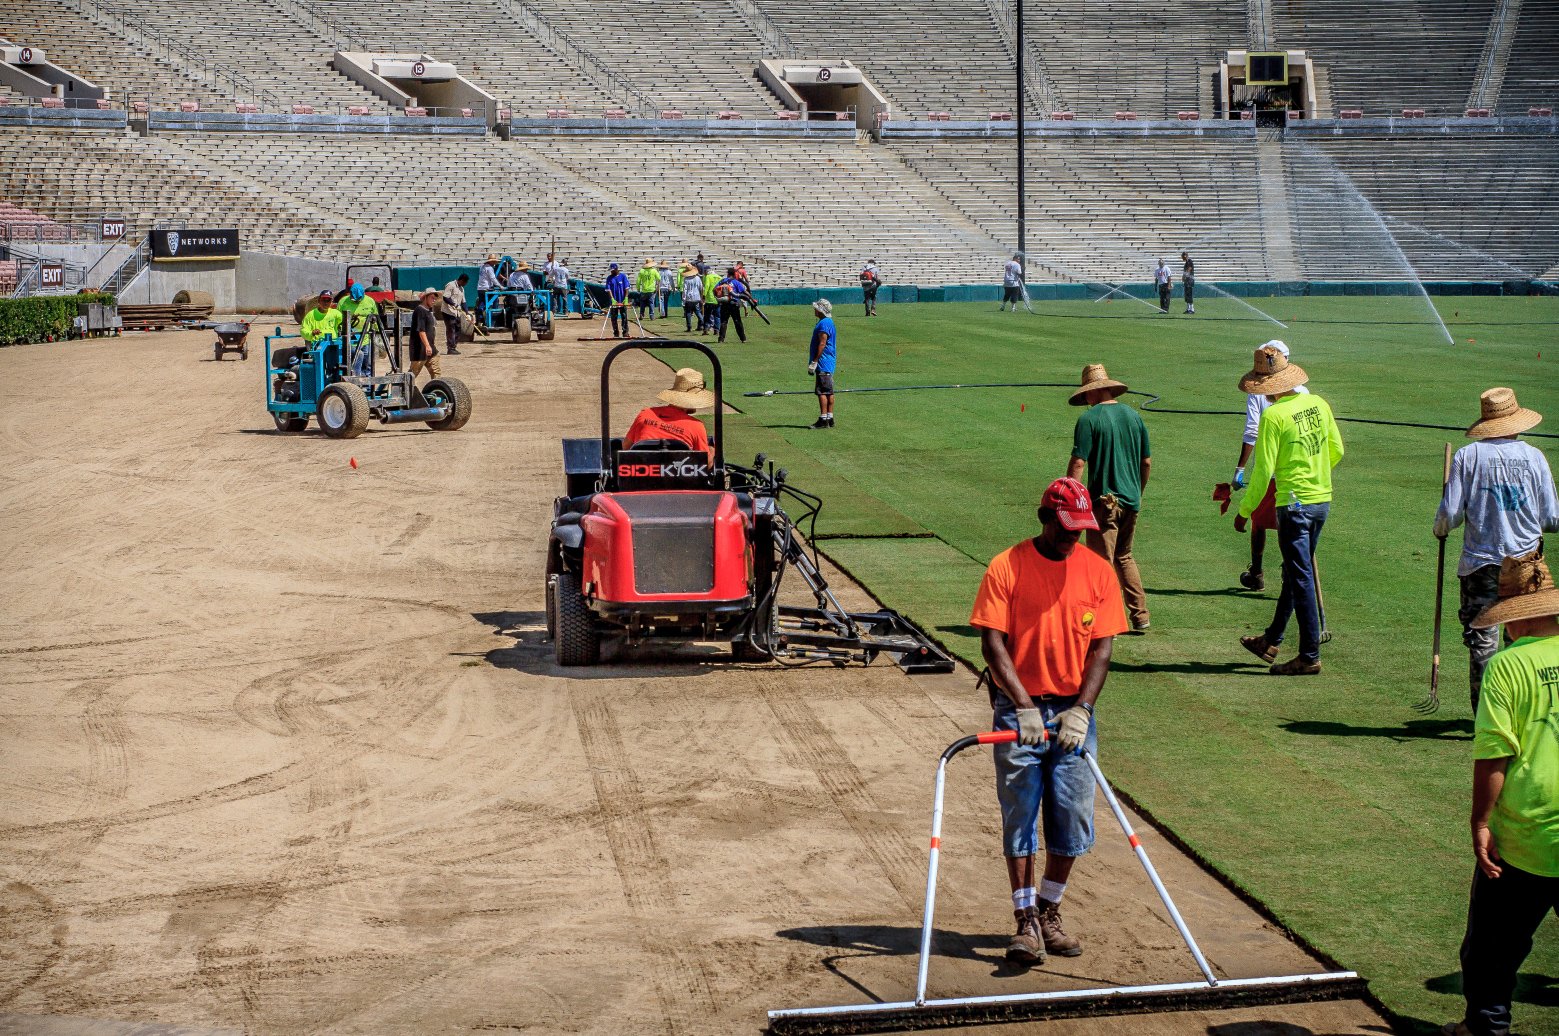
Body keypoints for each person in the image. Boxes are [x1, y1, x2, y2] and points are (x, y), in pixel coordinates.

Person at [970, 477, 1127, 966]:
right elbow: (992, 643)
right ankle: (1024, 922)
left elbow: (1102, 647)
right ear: (1044, 519)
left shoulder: (1098, 572)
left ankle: (1049, 909)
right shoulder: (1007, 566)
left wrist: (1082, 708)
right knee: (1020, 814)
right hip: (1019, 711)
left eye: (1079, 530)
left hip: (1072, 712)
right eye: (1064, 528)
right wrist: (1022, 704)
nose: (1071, 538)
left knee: (1073, 815)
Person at [1440, 550, 1559, 1036]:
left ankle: (1485, 1029)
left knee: (1491, 949)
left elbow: (1494, 755)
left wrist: (1481, 822)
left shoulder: (1508, 667)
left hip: (1525, 834)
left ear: (1514, 618)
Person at [1434, 388, 1559, 711]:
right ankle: (1522, 712)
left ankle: (1488, 718)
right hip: (1526, 564)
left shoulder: (1468, 456)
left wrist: (1441, 530)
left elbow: (1450, 515)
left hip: (1482, 564)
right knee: (1524, 639)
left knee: (1483, 643)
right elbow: (1550, 517)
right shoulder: (1534, 457)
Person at [1234, 346, 1344, 675]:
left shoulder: (1274, 416)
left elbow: (1262, 470)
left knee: (1300, 579)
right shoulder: (1319, 403)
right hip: (1321, 500)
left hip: (1293, 507)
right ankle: (1271, 639)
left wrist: (1245, 510)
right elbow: (1336, 449)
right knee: (1295, 575)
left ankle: (1309, 655)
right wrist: (1315, 474)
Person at [1066, 364, 1152, 633]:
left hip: (1104, 503)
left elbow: (1079, 463)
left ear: (1095, 392)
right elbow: (1146, 461)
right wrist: (1138, 492)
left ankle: (1105, 623)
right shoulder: (1134, 416)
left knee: (1099, 564)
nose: (1086, 400)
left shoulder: (1090, 420)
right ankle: (1140, 616)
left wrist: (1070, 496)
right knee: (1124, 557)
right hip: (1131, 499)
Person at [1234, 340, 1310, 591]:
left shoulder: (1262, 399)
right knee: (1290, 526)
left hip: (1275, 474)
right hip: (1303, 477)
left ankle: (1257, 572)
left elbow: (1252, 433)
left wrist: (1240, 469)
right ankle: (1287, 572)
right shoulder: (1308, 396)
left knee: (1260, 520)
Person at [623, 367, 715, 458]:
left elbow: (626, 447)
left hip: (642, 470)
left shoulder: (645, 414)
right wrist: (712, 450)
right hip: (677, 472)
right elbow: (704, 462)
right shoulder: (696, 426)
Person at [807, 299, 836, 429]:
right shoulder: (828, 322)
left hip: (823, 362)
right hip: (829, 361)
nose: (815, 310)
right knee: (829, 391)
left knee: (822, 391)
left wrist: (815, 361)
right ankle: (830, 417)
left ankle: (823, 419)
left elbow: (822, 343)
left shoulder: (824, 324)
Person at [408, 287, 442, 381]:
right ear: (425, 297)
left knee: (436, 372)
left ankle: (437, 389)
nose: (434, 300)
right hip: (420, 349)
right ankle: (404, 392)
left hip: (431, 349)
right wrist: (427, 346)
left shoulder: (429, 311)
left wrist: (430, 346)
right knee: (413, 374)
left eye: (435, 298)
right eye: (432, 298)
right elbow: (421, 330)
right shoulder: (420, 310)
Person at [715, 267, 749, 344]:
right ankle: (743, 338)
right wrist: (750, 298)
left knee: (724, 321)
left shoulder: (722, 281)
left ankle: (721, 339)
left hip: (724, 304)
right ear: (734, 274)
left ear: (728, 274)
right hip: (734, 304)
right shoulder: (736, 282)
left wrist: (718, 298)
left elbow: (714, 289)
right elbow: (744, 291)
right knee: (737, 321)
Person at [441, 273, 469, 355]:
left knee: (458, 329)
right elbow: (445, 297)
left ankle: (454, 346)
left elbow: (463, 302)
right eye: (465, 283)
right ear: (461, 280)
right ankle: (450, 348)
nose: (465, 285)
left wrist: (467, 312)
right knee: (451, 329)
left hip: (457, 313)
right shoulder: (451, 285)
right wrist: (454, 304)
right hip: (448, 311)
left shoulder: (461, 289)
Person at [605, 263, 631, 338]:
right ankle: (616, 332)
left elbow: (626, 288)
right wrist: (612, 299)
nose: (611, 272)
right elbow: (608, 289)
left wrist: (626, 298)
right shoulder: (609, 278)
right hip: (614, 300)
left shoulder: (623, 276)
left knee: (624, 316)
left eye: (613, 270)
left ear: (616, 269)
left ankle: (625, 332)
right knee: (614, 317)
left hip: (622, 300)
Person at [680, 261, 704, 333]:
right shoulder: (697, 278)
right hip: (696, 297)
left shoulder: (686, 280)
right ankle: (702, 322)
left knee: (688, 313)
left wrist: (683, 300)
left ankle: (689, 327)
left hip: (689, 298)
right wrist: (701, 296)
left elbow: (685, 290)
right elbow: (701, 288)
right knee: (697, 311)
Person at [634, 257, 659, 322]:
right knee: (651, 303)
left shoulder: (642, 271)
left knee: (642, 303)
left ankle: (641, 315)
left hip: (644, 290)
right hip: (651, 290)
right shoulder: (654, 270)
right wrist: (657, 286)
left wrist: (638, 288)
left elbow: (638, 281)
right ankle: (651, 316)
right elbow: (659, 278)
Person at [701, 264, 720, 335]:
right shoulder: (719, 277)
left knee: (707, 315)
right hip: (718, 299)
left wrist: (703, 296)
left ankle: (705, 329)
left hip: (709, 299)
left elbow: (706, 287)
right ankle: (717, 330)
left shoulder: (708, 277)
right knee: (717, 316)